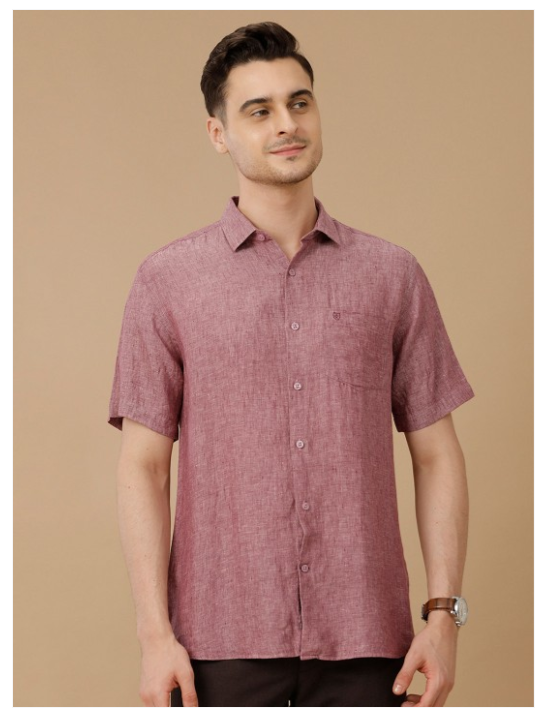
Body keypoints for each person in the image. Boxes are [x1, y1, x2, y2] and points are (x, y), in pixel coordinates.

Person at [108, 21, 475, 707]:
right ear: (218, 133)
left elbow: (436, 455)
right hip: (217, 645)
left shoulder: (392, 275)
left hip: (371, 641)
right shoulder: (167, 281)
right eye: (259, 110)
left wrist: (442, 616)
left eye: (299, 102)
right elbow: (144, 468)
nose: (286, 123)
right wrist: (155, 636)